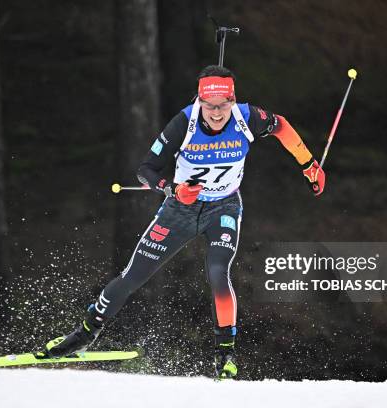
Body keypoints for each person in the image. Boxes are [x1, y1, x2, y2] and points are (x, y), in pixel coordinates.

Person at [39, 65, 326, 379]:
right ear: (199, 101)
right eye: (209, 106)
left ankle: (225, 356)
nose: (217, 113)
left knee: (218, 271)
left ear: (233, 100)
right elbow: (145, 170)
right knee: (132, 276)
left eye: (223, 105)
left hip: (224, 208)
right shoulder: (184, 123)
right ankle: (84, 335)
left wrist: (309, 164)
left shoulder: (248, 118)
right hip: (179, 211)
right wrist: (171, 189)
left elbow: (281, 126)